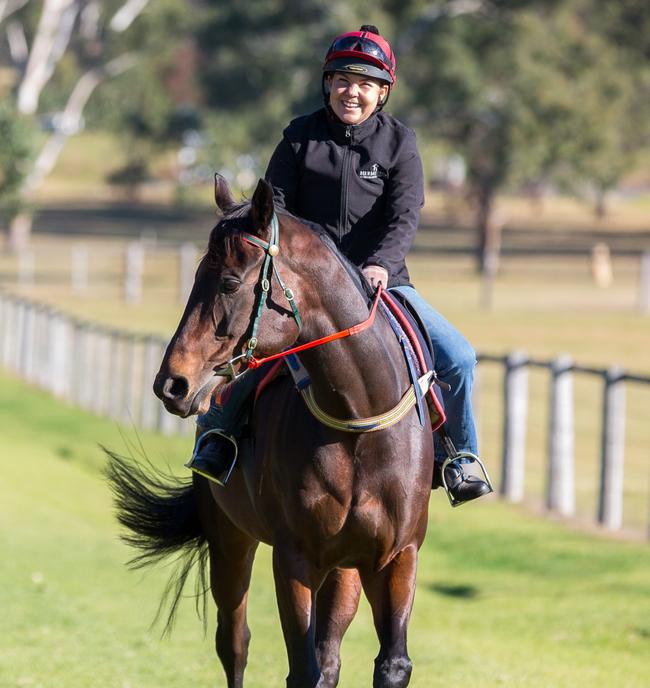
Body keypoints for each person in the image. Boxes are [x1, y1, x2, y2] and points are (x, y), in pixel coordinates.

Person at [188, 25, 491, 504]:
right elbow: (275, 211)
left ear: (382, 93)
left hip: (383, 283)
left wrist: (382, 265)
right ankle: (218, 438)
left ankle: (458, 455)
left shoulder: (400, 144)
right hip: (303, 287)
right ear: (328, 83)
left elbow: (403, 217)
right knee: (249, 345)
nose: (354, 92)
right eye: (344, 80)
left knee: (458, 357)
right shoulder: (298, 138)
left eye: (366, 84)